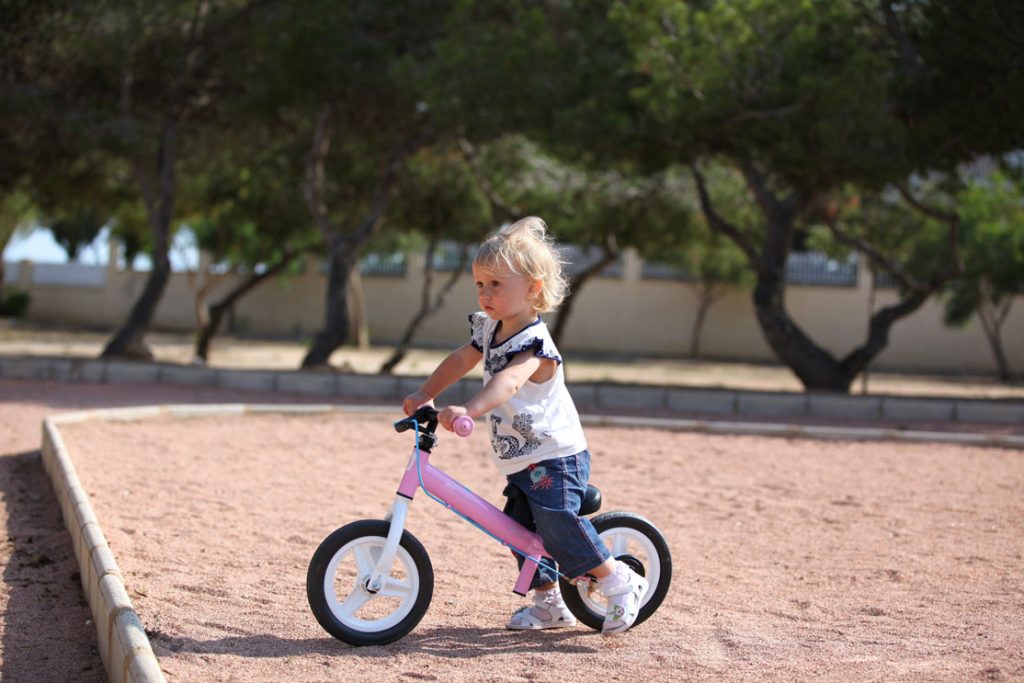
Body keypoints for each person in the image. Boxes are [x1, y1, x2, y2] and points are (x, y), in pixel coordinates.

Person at [402, 216, 648, 635]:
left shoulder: (535, 344)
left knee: (555, 521)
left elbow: (509, 381)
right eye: (480, 284)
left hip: (556, 455)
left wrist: (468, 410)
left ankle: (618, 580)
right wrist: (424, 394)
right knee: (518, 531)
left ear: (532, 288)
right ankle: (549, 601)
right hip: (520, 458)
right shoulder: (490, 329)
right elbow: (462, 359)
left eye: (496, 284)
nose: (485, 293)